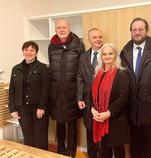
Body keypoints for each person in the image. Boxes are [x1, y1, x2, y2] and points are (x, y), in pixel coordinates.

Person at [120, 17, 151, 158]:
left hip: (150, 106)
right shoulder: (125, 50)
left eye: (140, 29)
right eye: (134, 29)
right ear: (130, 32)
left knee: (149, 143)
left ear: (147, 31)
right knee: (134, 142)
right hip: (131, 106)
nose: (137, 32)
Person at [48, 19, 85, 157]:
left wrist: (79, 93)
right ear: (56, 30)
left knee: (71, 123)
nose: (61, 30)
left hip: (72, 91)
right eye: (59, 28)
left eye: (64, 27)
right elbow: (52, 67)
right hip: (57, 92)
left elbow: (81, 70)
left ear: (69, 28)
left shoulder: (79, 45)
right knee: (59, 122)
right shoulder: (51, 46)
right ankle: (60, 150)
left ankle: (71, 152)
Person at [8, 41, 49, 150]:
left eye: (32, 50)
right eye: (26, 50)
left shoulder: (42, 67)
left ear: (36, 53)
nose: (28, 52)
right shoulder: (16, 68)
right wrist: (12, 108)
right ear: (23, 51)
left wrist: (41, 107)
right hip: (22, 108)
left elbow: (45, 89)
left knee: (40, 138)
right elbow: (12, 89)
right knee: (28, 137)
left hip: (38, 108)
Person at [91, 43, 130, 158]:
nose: (107, 56)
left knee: (118, 151)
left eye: (110, 53)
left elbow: (123, 97)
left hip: (116, 119)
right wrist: (93, 109)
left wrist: (108, 113)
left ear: (115, 55)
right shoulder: (98, 73)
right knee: (103, 151)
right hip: (99, 118)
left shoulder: (122, 72)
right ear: (101, 57)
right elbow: (93, 94)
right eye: (104, 54)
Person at [77, 28, 103, 158]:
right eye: (95, 37)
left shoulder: (107, 54)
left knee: (102, 131)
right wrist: (79, 97)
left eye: (100, 37)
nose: (98, 39)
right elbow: (80, 77)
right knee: (89, 129)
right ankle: (92, 155)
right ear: (89, 40)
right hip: (87, 100)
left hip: (103, 100)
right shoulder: (83, 56)